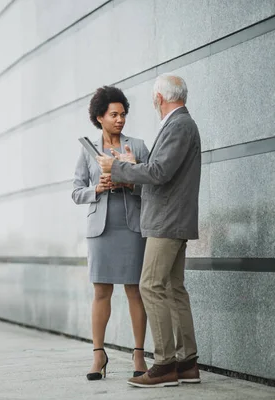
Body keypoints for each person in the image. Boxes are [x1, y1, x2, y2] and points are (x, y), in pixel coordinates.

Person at [96, 74, 201, 388]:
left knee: (150, 286)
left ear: (159, 98)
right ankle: (186, 363)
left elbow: (159, 172)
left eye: (153, 98)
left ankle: (165, 364)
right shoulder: (180, 124)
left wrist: (116, 167)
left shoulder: (179, 124)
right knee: (172, 289)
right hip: (171, 218)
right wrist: (131, 166)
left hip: (167, 221)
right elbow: (160, 172)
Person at [72, 86, 150, 381]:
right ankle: (98, 355)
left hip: (132, 226)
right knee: (101, 291)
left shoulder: (138, 146)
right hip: (101, 228)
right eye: (114, 114)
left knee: (134, 289)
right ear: (99, 117)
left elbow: (153, 184)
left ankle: (139, 354)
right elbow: (76, 191)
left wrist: (130, 181)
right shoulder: (87, 150)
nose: (120, 119)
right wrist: (97, 188)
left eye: (123, 114)